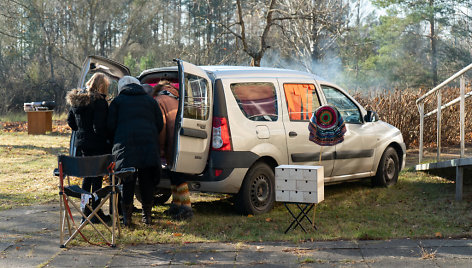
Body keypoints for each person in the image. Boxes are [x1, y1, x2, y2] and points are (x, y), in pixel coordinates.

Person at [107, 76, 163, 226]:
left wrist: (116, 139)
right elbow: (160, 124)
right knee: (147, 180)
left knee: (127, 180)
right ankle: (147, 217)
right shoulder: (151, 101)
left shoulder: (117, 102)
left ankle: (127, 218)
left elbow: (110, 126)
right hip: (148, 146)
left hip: (125, 146)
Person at [66, 72, 111, 224]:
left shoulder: (77, 100)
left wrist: (81, 132)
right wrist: (107, 139)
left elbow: (71, 122)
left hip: (82, 144)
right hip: (97, 144)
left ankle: (85, 211)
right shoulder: (99, 102)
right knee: (97, 179)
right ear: (101, 87)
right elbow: (99, 127)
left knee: (87, 177)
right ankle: (96, 212)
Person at [152, 80, 193, 220]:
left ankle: (187, 208)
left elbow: (162, 127)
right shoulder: (177, 99)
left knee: (177, 176)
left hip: (170, 142)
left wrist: (161, 148)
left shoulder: (159, 100)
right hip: (182, 141)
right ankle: (176, 204)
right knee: (174, 174)